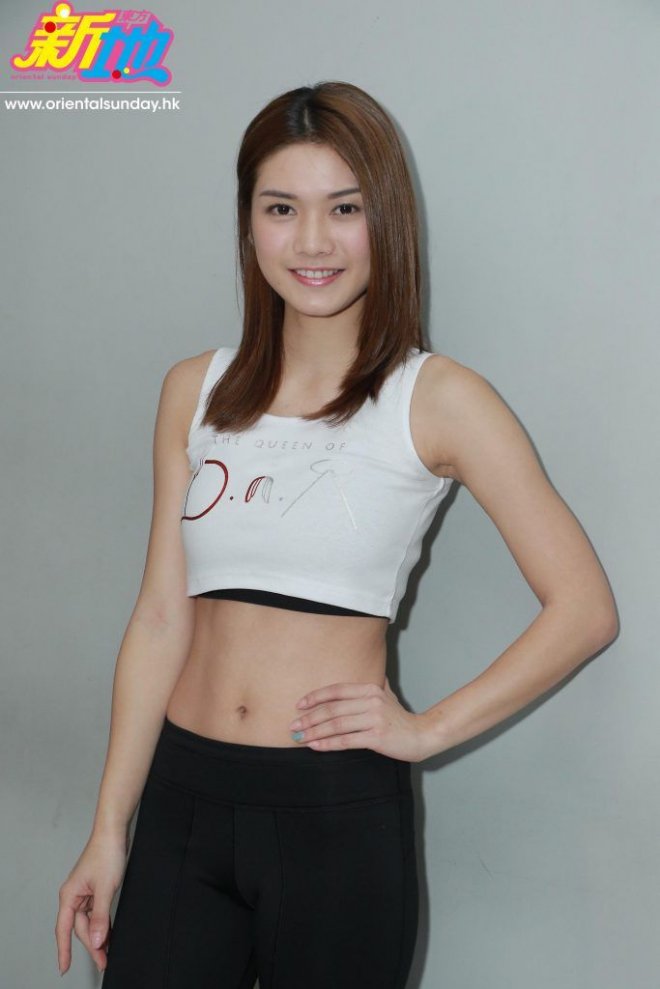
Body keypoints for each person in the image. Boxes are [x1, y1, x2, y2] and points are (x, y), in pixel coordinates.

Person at [55, 81, 618, 988]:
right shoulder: (194, 390)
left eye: (344, 209)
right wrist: (108, 830)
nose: (312, 241)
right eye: (282, 208)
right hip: (183, 796)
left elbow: (584, 608)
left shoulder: (438, 399)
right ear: (249, 223)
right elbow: (160, 616)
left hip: (334, 815)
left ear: (384, 220)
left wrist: (428, 729)